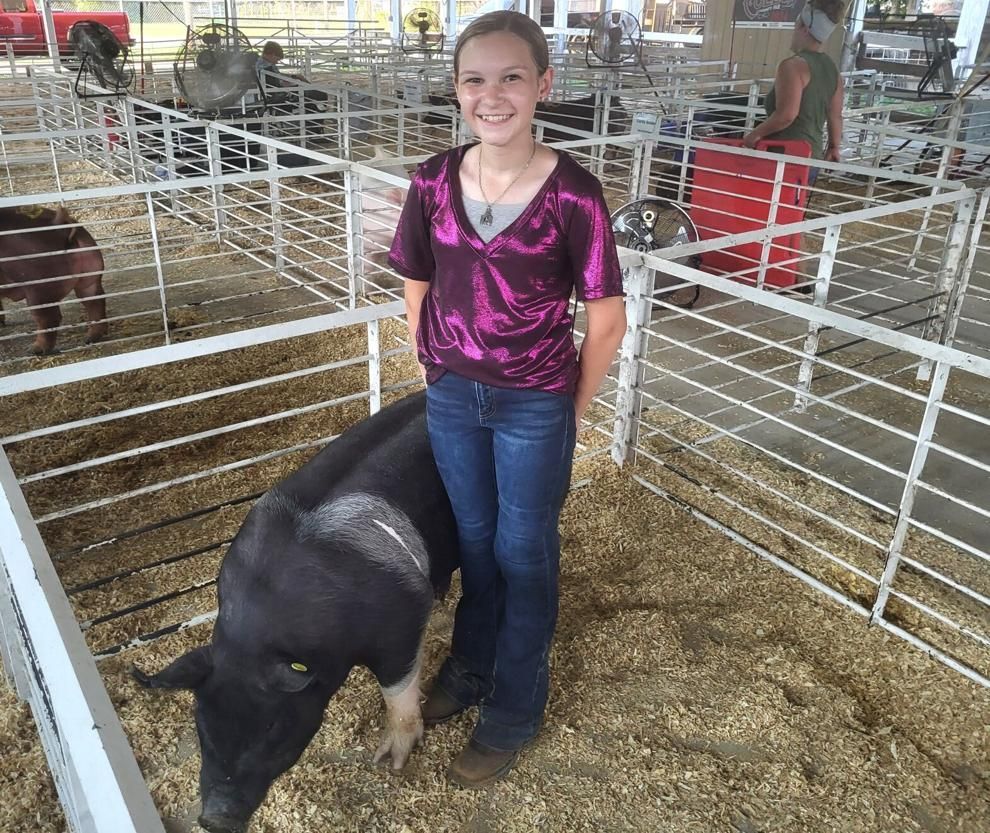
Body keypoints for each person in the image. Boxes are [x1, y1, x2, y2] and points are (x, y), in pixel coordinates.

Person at [387, 10, 626, 788]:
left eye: (512, 77)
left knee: (525, 553)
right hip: (456, 396)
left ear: (543, 84)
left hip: (534, 403)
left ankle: (514, 707)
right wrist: (433, 361)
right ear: (457, 90)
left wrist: (568, 407)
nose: (493, 96)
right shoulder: (432, 180)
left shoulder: (575, 195)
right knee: (475, 540)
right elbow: (416, 278)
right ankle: (470, 664)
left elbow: (607, 321)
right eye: (475, 80)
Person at [743, 0, 846, 175]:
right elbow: (835, 115)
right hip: (812, 157)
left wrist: (753, 135)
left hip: (784, 157)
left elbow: (786, 115)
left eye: (796, 24)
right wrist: (834, 147)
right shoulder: (832, 70)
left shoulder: (792, 66)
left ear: (804, 28)